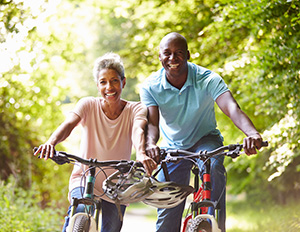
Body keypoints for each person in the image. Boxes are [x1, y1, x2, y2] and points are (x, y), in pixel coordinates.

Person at [140, 32, 263, 232]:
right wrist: (151, 144)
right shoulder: (150, 86)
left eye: (178, 53)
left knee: (213, 167)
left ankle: (211, 219)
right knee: (167, 211)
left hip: (205, 140)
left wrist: (252, 133)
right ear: (160, 57)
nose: (173, 58)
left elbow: (232, 108)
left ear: (188, 54)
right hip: (173, 146)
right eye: (167, 53)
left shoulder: (207, 79)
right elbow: (152, 124)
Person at [34, 52, 157, 232]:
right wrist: (51, 142)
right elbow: (68, 125)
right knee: (80, 211)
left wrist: (141, 153)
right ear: (97, 85)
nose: (109, 86)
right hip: (84, 177)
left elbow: (138, 130)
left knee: (112, 226)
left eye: (114, 80)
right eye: (103, 82)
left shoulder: (135, 109)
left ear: (123, 82)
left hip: (117, 184)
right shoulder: (87, 105)